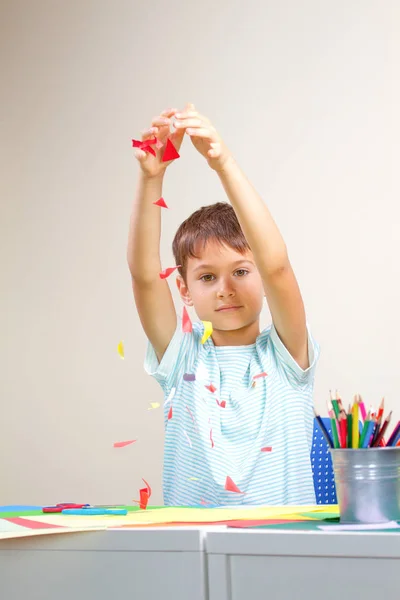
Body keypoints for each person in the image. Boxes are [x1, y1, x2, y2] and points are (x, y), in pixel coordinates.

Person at [127, 103, 320, 506]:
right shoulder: (182, 357)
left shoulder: (286, 357)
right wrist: (152, 178)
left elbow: (279, 266)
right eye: (207, 277)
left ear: (263, 278)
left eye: (242, 272)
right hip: (195, 554)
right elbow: (145, 277)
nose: (225, 289)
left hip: (282, 555)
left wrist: (223, 163)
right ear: (183, 289)